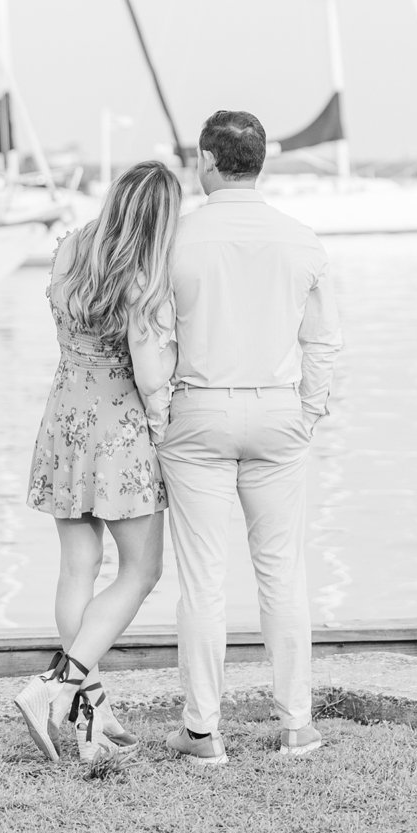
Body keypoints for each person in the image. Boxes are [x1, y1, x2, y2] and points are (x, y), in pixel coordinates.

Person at [157, 109, 342, 766]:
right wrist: (308, 411)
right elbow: (323, 341)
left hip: (197, 411)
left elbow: (155, 340)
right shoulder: (301, 239)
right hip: (277, 411)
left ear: (207, 161)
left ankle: (203, 730)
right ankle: (298, 725)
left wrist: (159, 417)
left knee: (203, 580)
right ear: (259, 162)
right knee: (283, 572)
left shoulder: (177, 240)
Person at [16, 160, 180, 763]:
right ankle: (56, 685)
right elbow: (150, 374)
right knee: (142, 571)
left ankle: (90, 714)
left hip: (64, 419)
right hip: (118, 433)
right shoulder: (142, 277)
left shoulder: (68, 249)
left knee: (77, 568)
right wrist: (167, 432)